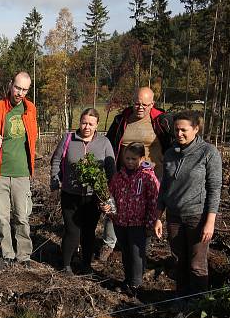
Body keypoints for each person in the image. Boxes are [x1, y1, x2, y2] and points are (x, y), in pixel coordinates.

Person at [99, 87, 173, 261]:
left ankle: (142, 247)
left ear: (152, 104)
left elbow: (172, 145)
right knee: (115, 207)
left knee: (149, 212)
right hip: (125, 175)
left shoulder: (162, 121)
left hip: (153, 176)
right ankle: (109, 243)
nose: (140, 108)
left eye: (145, 105)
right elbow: (109, 144)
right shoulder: (122, 120)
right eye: (137, 103)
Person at [154, 111, 222, 296]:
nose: (179, 134)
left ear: (196, 129)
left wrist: (210, 222)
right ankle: (181, 297)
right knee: (179, 260)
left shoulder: (208, 153)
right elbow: (164, 188)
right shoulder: (170, 153)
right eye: (176, 130)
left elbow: (215, 189)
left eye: (184, 130)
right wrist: (158, 217)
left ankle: (199, 303)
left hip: (197, 217)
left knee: (197, 263)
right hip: (174, 216)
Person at [0, 72, 38, 265]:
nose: (20, 93)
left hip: (22, 174)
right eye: (18, 88)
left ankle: (24, 255)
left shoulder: (30, 110)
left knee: (22, 216)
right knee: (2, 217)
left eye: (24, 89)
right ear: (11, 85)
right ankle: (8, 254)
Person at [50, 108, 114, 275]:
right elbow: (56, 159)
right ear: (79, 122)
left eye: (91, 124)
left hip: (93, 197)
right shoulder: (68, 139)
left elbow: (110, 169)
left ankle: (86, 264)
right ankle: (66, 265)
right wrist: (55, 181)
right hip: (70, 194)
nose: (87, 127)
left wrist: (108, 196)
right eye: (84, 122)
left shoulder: (104, 142)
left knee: (89, 231)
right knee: (72, 230)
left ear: (97, 125)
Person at [104, 142, 160, 297]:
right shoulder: (118, 176)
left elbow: (154, 201)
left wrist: (151, 223)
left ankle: (136, 285)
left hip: (138, 223)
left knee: (136, 254)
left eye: (133, 159)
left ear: (142, 158)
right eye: (127, 158)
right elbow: (110, 195)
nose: (129, 162)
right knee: (126, 252)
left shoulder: (148, 177)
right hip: (120, 221)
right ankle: (127, 279)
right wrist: (108, 208)